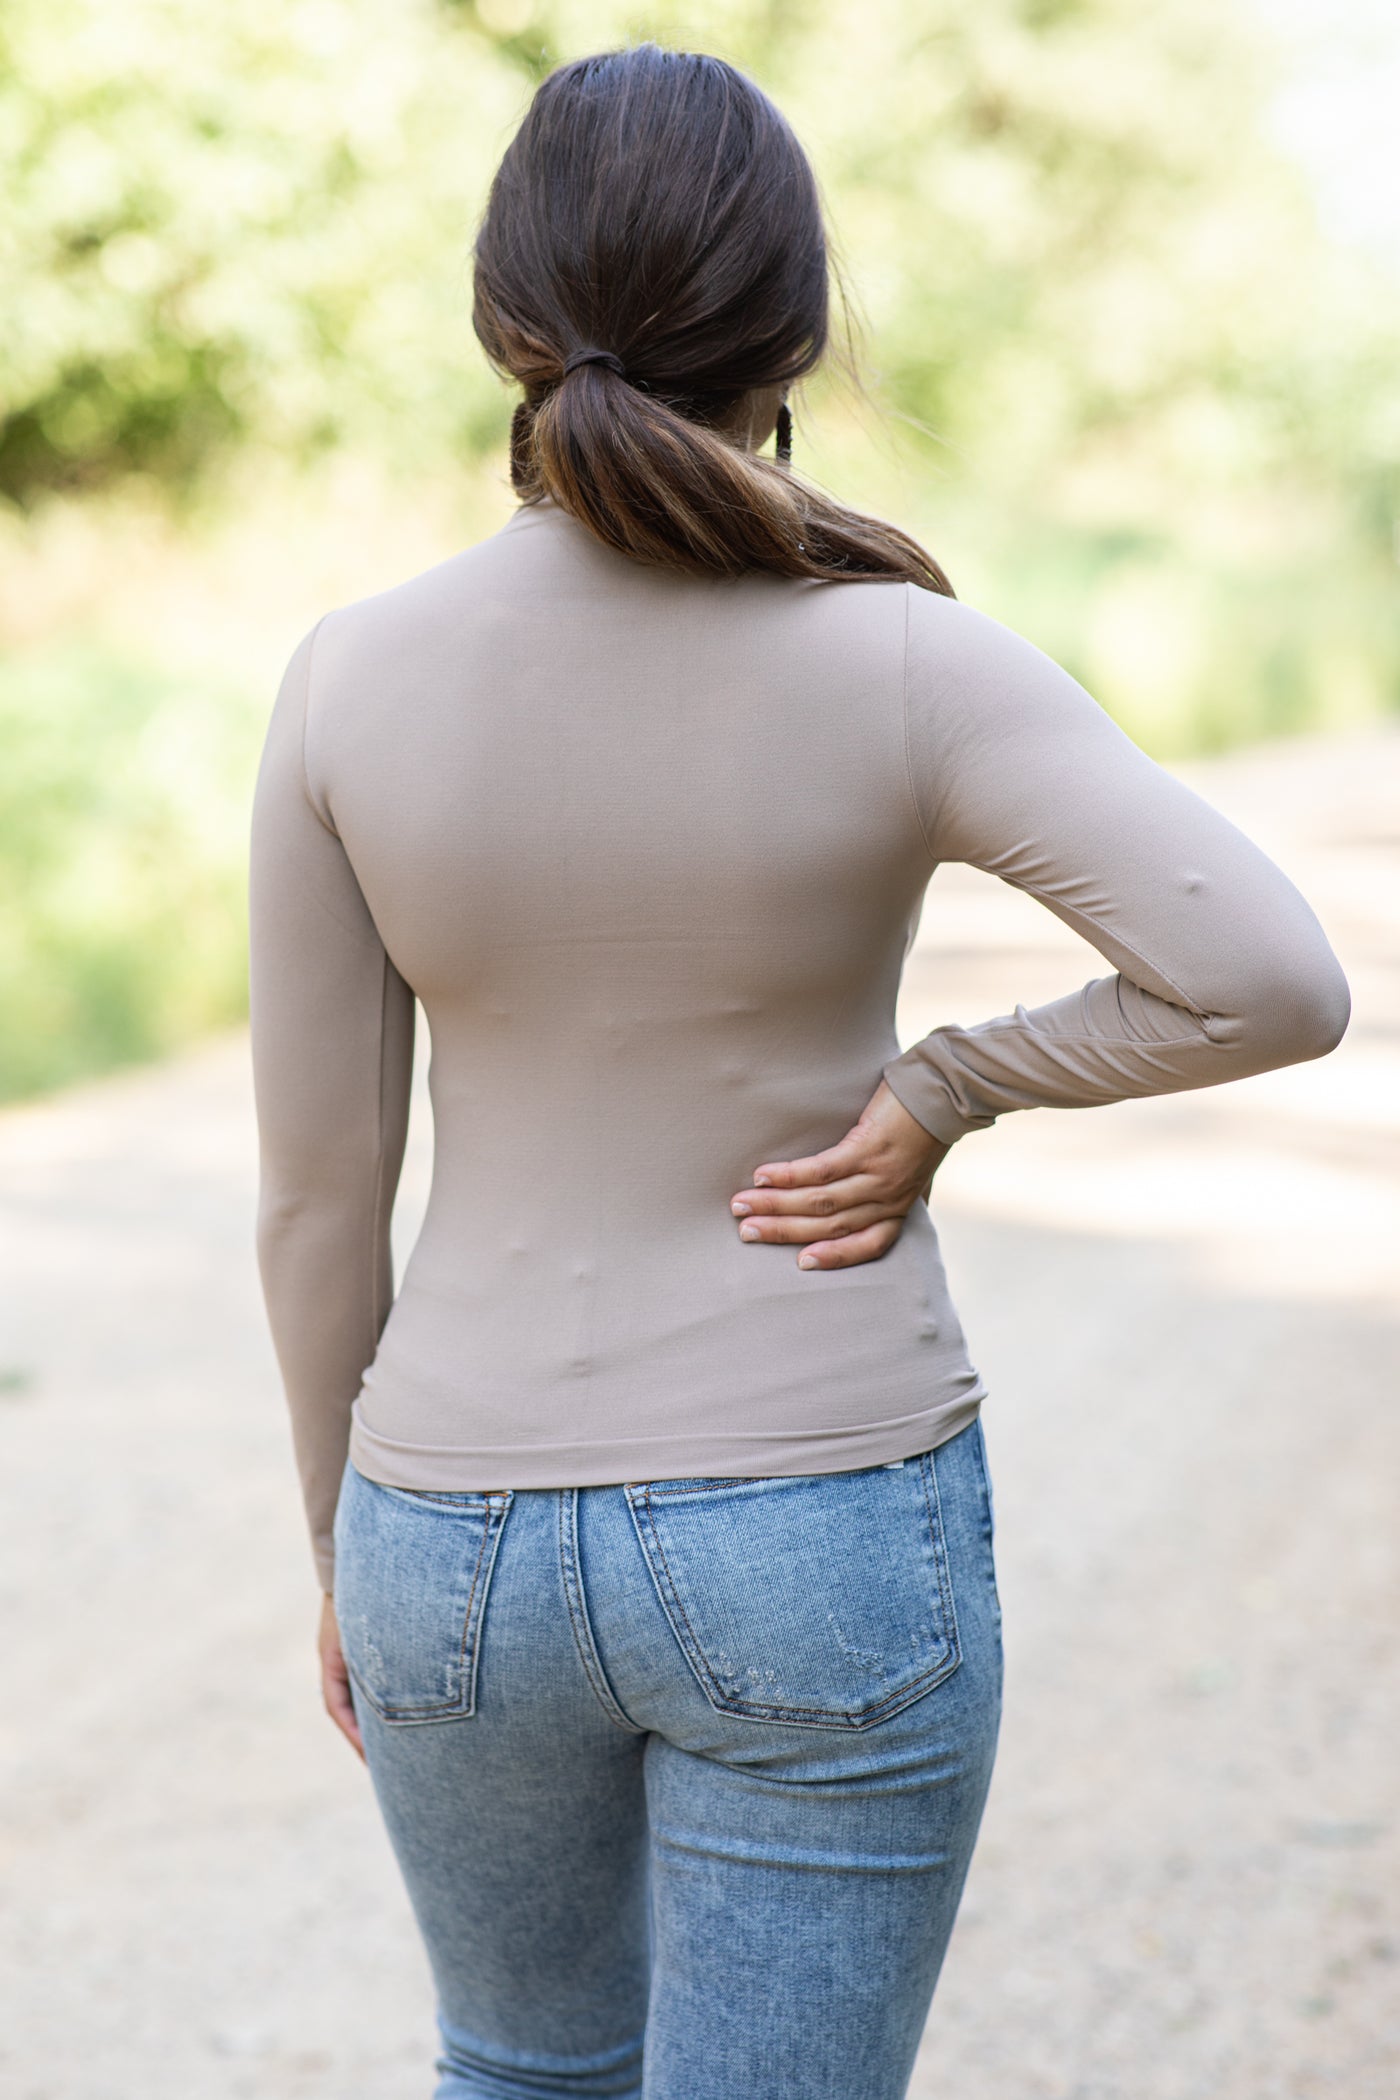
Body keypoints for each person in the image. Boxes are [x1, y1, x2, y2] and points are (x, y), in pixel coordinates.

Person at [247, 43, 1350, 2100]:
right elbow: (1269, 982)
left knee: (518, 2070)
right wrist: (946, 1086)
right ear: (798, 331)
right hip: (812, 1523)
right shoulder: (905, 654)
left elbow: (318, 1201)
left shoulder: (344, 681)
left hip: (447, 1544)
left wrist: (343, 1559)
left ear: (503, 318)